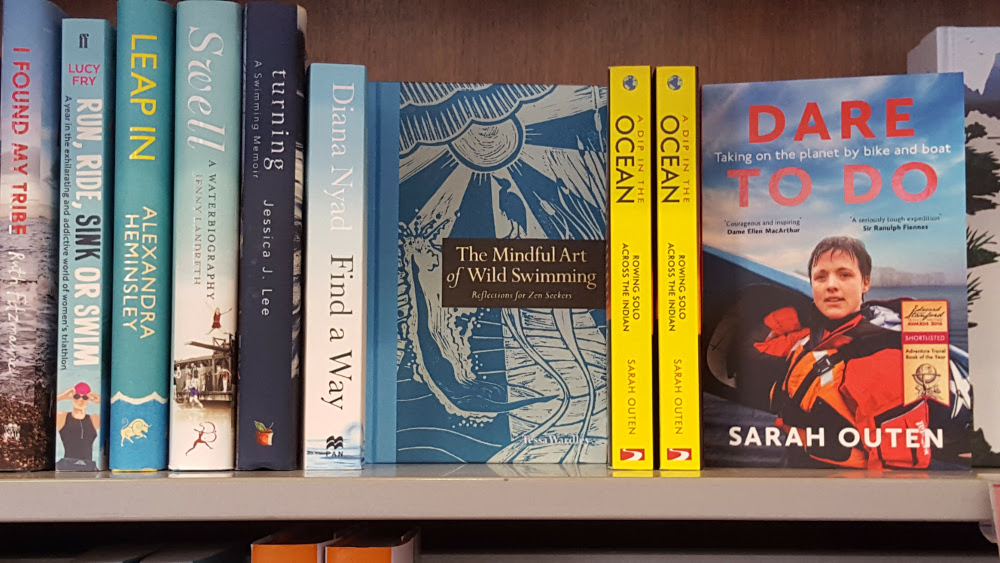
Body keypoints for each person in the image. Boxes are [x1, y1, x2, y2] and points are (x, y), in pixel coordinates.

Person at [749, 236, 959, 470]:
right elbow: (756, 349)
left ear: (865, 283)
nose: (831, 285)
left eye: (844, 275)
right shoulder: (814, 335)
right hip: (797, 462)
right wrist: (798, 315)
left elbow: (899, 470)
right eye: (820, 277)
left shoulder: (882, 360)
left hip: (836, 479)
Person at [55, 382, 100, 470]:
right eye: (76, 396)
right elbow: (43, 409)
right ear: (72, 398)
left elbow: (115, 415)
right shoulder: (63, 417)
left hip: (88, 467)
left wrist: (100, 400)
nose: (80, 400)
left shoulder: (93, 419)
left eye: (85, 397)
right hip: (67, 466)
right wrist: (63, 396)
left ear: (88, 400)